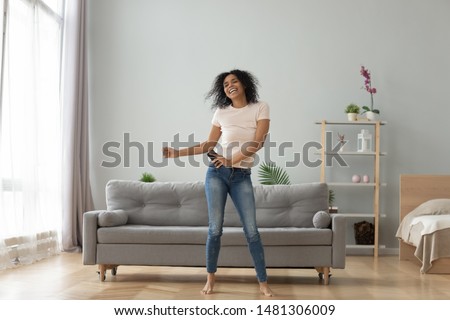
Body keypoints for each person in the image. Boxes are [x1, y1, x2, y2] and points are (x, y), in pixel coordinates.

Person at [163, 69, 273, 297]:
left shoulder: (260, 107)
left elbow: (258, 142)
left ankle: (263, 282)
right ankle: (210, 280)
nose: (229, 85)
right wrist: (177, 153)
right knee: (215, 229)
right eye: (225, 84)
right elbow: (208, 144)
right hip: (217, 174)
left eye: (234, 81)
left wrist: (231, 160)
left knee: (252, 231)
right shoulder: (221, 112)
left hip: (241, 175)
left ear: (244, 84)